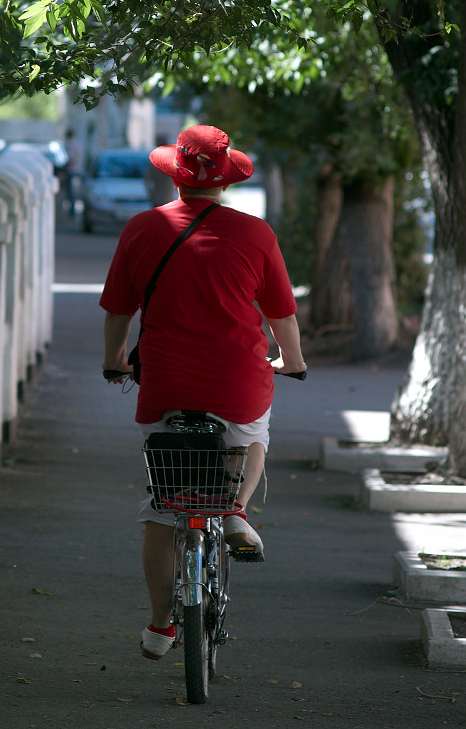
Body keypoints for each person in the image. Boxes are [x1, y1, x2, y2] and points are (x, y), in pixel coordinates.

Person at [99, 124, 305, 661]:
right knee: (253, 434)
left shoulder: (143, 229)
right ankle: (235, 509)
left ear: (176, 177)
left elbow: (119, 309)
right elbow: (280, 312)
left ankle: (160, 626)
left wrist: (113, 361)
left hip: (164, 382)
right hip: (237, 380)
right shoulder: (257, 234)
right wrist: (293, 361)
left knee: (161, 506)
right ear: (226, 181)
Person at [144, 135, 177, 207]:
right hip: (167, 200)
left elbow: (147, 181)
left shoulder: (154, 163)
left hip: (159, 199)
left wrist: (151, 195)